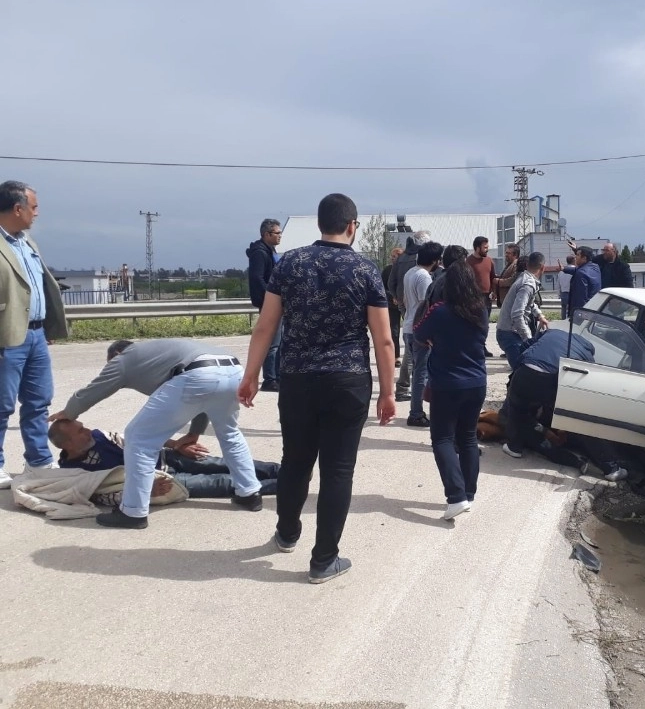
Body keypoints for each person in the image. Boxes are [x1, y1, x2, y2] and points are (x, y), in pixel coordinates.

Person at [238, 193, 395, 585]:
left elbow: (265, 325)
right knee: (338, 470)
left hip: (297, 378)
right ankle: (324, 560)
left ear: (320, 224)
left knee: (295, 460)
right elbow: (384, 341)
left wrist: (252, 374)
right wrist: (388, 392)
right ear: (352, 226)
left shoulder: (290, 262)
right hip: (348, 380)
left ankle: (288, 533)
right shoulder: (364, 270)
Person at [49, 339, 263, 528]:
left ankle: (133, 512)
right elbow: (204, 391)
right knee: (230, 433)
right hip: (233, 370)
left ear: (116, 356)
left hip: (197, 374)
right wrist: (195, 432)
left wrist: (69, 412)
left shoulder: (123, 359)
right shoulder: (158, 357)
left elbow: (95, 389)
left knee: (138, 438)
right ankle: (249, 493)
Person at [0, 181, 67, 490]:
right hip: (6, 336)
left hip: (37, 336)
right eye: (34, 207)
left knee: (38, 401)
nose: (37, 214)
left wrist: (48, 325)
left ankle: (38, 461)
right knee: (2, 405)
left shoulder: (27, 243)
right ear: (17, 208)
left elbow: (38, 288)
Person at [413, 263, 488, 521]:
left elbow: (419, 334)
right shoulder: (480, 310)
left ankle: (456, 496)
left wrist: (435, 339)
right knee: (467, 438)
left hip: (447, 383)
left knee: (443, 439)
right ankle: (468, 492)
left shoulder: (440, 311)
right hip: (477, 382)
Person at [501, 330, 627, 481]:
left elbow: (524, 346)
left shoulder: (551, 332)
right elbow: (587, 377)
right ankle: (611, 468)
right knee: (578, 421)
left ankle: (514, 447)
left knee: (518, 410)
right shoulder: (586, 352)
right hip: (552, 379)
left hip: (525, 372)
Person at [49, 419, 280, 498]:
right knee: (222, 483)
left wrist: (178, 445)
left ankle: (285, 470)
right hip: (161, 481)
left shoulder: (101, 436)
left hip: (167, 458)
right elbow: (101, 496)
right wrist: (144, 493)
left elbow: (137, 438)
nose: (87, 430)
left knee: (226, 463)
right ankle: (288, 484)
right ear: (67, 444)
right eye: (79, 431)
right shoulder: (74, 471)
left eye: (83, 426)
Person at [402, 242, 443, 427]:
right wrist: (428, 332)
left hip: (408, 326)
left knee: (417, 371)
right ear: (435, 260)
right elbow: (424, 307)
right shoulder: (424, 277)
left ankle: (417, 410)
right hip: (418, 330)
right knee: (421, 373)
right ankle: (416, 413)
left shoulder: (410, 272)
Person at [389, 231, 431, 400]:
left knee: (410, 346)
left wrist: (399, 299)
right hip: (419, 305)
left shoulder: (401, 258)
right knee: (415, 347)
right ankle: (407, 386)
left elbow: (391, 282)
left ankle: (405, 386)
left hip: (405, 305)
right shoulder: (420, 262)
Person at [246, 219, 283, 392]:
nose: (280, 236)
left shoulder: (270, 251)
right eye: (277, 233)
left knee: (279, 341)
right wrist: (270, 297)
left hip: (276, 302)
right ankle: (270, 379)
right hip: (270, 303)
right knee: (272, 343)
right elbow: (256, 278)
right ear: (267, 234)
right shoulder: (260, 253)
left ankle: (277, 375)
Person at [496, 252, 548, 369]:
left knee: (522, 374)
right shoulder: (528, 284)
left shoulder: (525, 279)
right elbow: (517, 313)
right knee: (521, 372)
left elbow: (529, 303)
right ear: (542, 267)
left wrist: (540, 316)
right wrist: (528, 338)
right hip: (511, 334)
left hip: (510, 332)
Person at [467, 236, 496, 357]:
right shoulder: (468, 261)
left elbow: (493, 277)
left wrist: (494, 291)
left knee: (485, 324)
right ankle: (473, 347)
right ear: (477, 248)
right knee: (474, 324)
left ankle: (482, 346)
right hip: (473, 297)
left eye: (487, 247)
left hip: (486, 297)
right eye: (485, 247)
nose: (487, 249)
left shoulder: (489, 261)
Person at [381, 247, 404, 366]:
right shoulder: (387, 270)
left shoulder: (406, 270)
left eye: (395, 257)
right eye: (392, 257)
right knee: (394, 330)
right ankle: (396, 357)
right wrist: (392, 297)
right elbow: (382, 287)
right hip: (392, 304)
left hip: (405, 303)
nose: (392, 259)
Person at [567, 245, 602, 316]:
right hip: (594, 308)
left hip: (583, 313)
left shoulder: (581, 273)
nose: (575, 257)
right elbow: (577, 269)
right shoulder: (595, 267)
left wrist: (576, 314)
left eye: (577, 255)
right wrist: (564, 269)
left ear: (584, 258)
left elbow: (580, 298)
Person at [558, 254, 576, 319]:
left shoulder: (561, 272)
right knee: (572, 311)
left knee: (563, 310)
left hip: (563, 293)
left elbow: (559, 284)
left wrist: (559, 294)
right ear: (574, 260)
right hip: (572, 293)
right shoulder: (575, 270)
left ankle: (563, 321)